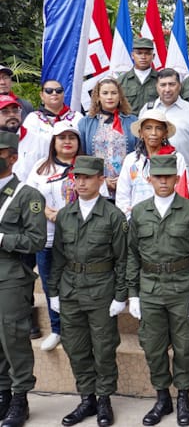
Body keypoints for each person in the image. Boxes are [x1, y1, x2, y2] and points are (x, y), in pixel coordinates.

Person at [125, 154, 189, 427]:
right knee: (153, 346)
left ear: (176, 179)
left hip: (182, 287)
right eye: (158, 177)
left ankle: (183, 396)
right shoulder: (140, 212)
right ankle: (162, 398)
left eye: (168, 177)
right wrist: (133, 293)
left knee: (185, 346)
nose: (163, 182)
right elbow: (132, 254)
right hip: (150, 289)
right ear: (149, 179)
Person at [48, 156, 127, 427]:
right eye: (77, 177)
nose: (81, 183)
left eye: (87, 177)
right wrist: (53, 293)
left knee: (104, 348)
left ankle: (104, 399)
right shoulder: (66, 215)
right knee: (76, 347)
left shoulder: (113, 216)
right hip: (70, 291)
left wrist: (120, 295)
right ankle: (87, 398)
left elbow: (122, 259)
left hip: (101, 291)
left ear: (100, 180)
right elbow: (58, 256)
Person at [25, 122, 88, 353]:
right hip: (48, 237)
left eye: (72, 137)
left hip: (80, 238)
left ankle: (80, 328)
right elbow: (28, 198)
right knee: (50, 283)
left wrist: (66, 214)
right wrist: (45, 211)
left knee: (80, 283)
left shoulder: (86, 165)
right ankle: (57, 328)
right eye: (62, 137)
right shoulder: (41, 167)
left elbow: (97, 197)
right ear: (54, 142)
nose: (67, 142)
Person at [0, 130, 47, 427]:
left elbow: (36, 240)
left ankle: (20, 397)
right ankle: (3, 393)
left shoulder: (27, 195)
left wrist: (3, 239)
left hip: (11, 275)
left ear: (13, 157)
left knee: (13, 336)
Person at [140, 69, 189, 190]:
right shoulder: (147, 110)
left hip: (183, 179)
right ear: (157, 87)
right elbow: (141, 143)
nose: (167, 89)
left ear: (179, 86)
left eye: (172, 84)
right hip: (149, 179)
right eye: (163, 85)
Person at [115, 110, 188, 220]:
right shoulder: (131, 160)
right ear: (141, 133)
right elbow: (122, 195)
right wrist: (129, 218)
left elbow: (183, 190)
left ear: (165, 133)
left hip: (170, 219)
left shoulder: (176, 158)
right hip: (137, 220)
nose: (153, 133)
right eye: (148, 128)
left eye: (159, 128)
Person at [78, 77, 139, 198]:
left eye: (114, 93)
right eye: (105, 93)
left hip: (127, 183)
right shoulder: (85, 123)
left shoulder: (132, 121)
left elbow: (138, 156)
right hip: (96, 184)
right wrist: (101, 180)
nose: (110, 97)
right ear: (98, 97)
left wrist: (123, 178)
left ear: (120, 96)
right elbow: (82, 156)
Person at [17, 80, 81, 182]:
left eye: (58, 90)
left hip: (73, 171)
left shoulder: (77, 117)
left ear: (63, 94)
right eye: (49, 91)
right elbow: (26, 151)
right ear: (42, 95)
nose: (54, 93)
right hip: (41, 171)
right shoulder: (33, 118)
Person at [117, 38, 159, 112]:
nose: (143, 57)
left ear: (153, 56)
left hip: (153, 118)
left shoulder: (161, 80)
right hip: (128, 119)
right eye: (139, 53)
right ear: (132, 55)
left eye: (147, 53)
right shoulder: (120, 81)